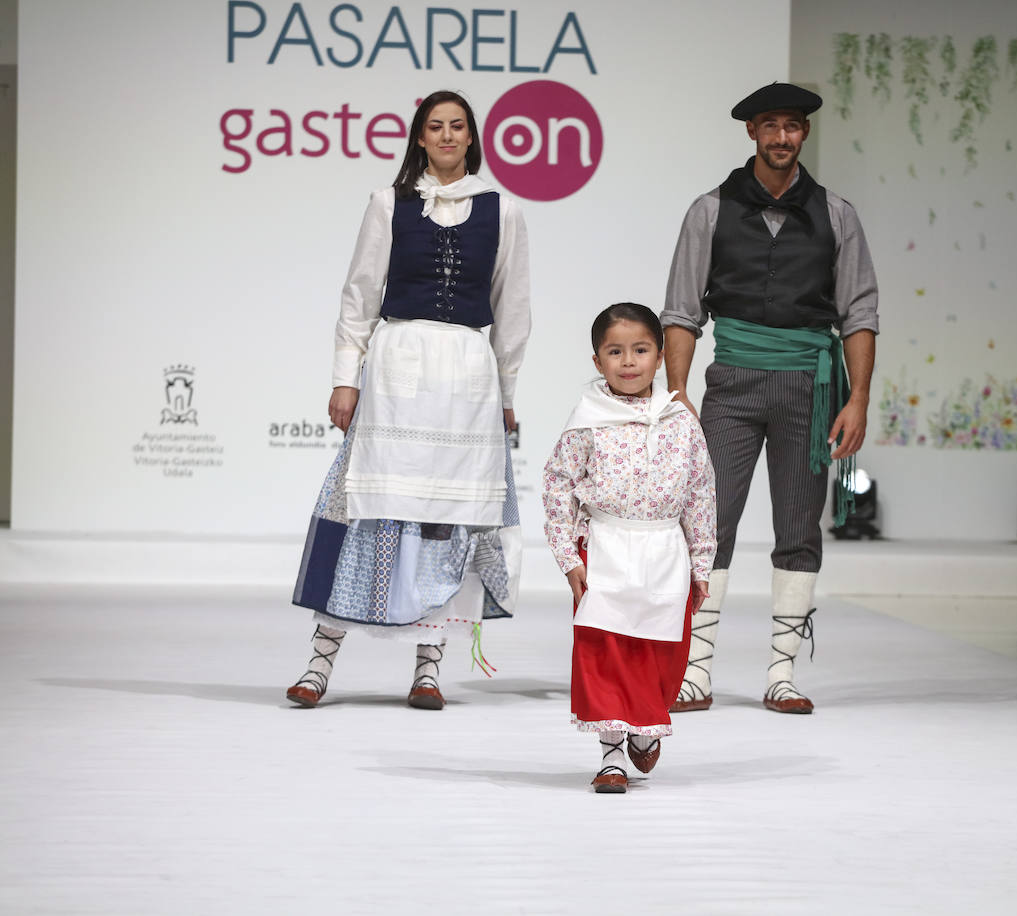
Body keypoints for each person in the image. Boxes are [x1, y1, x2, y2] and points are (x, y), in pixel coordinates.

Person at [286, 90, 531, 709]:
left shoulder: (503, 212)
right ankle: (320, 661)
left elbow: (513, 311)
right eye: (435, 127)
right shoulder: (387, 203)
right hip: (397, 369)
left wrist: (506, 393)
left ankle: (429, 667)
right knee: (366, 506)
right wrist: (346, 377)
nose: (447, 136)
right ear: (420, 138)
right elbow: (360, 295)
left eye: (457, 127)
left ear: (472, 137)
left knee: (446, 519)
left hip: (468, 377)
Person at [661, 82, 879, 714]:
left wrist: (858, 397)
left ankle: (782, 674)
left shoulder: (837, 214)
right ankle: (695, 670)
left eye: (793, 127)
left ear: (804, 134)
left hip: (809, 387)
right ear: (751, 132)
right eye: (770, 126)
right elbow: (681, 310)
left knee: (798, 525)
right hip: (731, 383)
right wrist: (677, 392)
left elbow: (859, 311)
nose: (782, 137)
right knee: (709, 523)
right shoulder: (710, 210)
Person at [542, 303, 716, 793]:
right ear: (597, 361)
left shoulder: (680, 420)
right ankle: (611, 755)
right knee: (606, 650)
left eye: (640, 350)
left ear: (660, 356)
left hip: (665, 551)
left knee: (658, 652)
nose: (629, 361)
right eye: (615, 352)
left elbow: (701, 492)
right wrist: (568, 557)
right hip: (607, 546)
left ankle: (646, 723)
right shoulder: (587, 422)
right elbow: (558, 485)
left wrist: (702, 563)